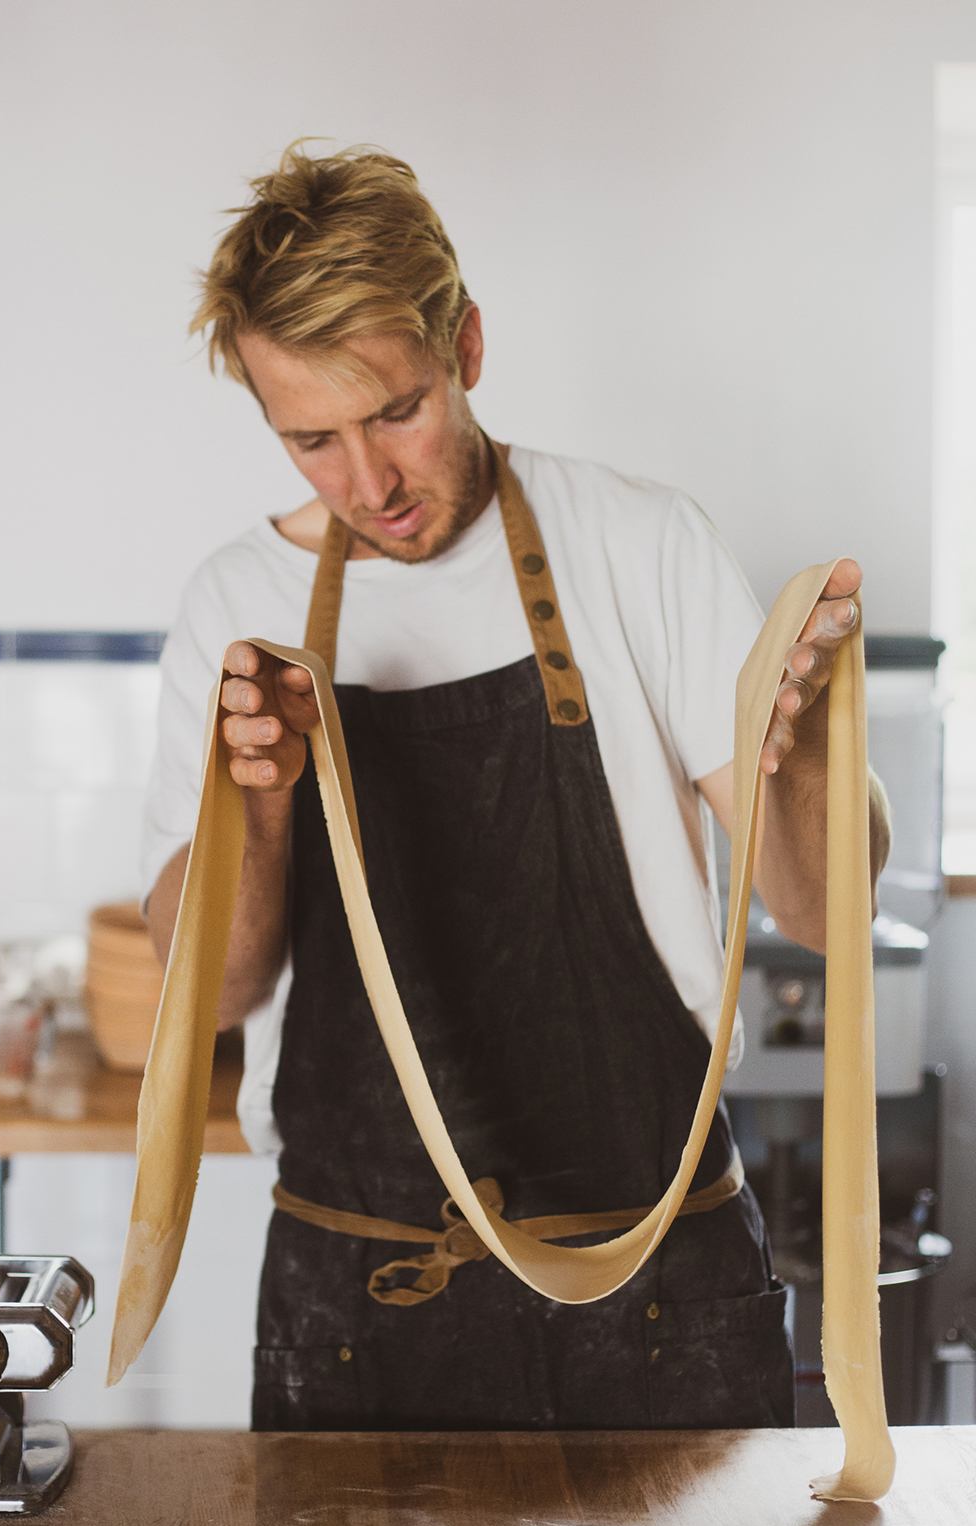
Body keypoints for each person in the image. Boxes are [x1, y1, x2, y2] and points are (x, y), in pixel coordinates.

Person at [140, 145, 889, 1432]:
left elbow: (824, 914)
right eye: (311, 438)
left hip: (656, 1286)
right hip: (360, 1308)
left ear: (468, 346)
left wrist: (806, 733)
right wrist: (259, 808)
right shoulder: (236, 604)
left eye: (397, 411)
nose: (368, 485)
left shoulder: (638, 544)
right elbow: (212, 992)